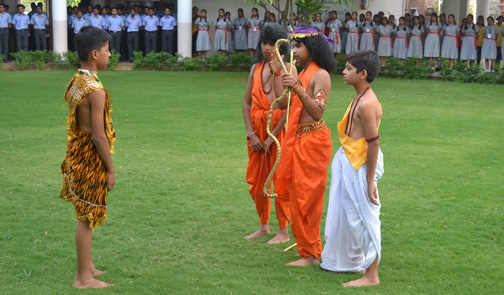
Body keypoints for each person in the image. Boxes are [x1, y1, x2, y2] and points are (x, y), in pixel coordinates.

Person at [320, 49, 383, 288]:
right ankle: (349, 262)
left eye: (348, 69)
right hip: (348, 159)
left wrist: (369, 181)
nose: (343, 73)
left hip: (360, 163)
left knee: (363, 216)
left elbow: (373, 142)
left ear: (363, 73)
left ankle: (372, 276)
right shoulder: (359, 95)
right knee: (345, 214)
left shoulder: (368, 102)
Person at [60, 25, 116, 289]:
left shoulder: (77, 80)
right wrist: (111, 168)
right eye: (107, 50)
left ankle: (89, 267)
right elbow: (99, 135)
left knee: (87, 213)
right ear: (95, 53)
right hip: (90, 157)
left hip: (76, 152)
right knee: (86, 216)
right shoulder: (95, 90)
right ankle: (82, 278)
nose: (109, 54)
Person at [275, 26, 335, 266]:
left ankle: (311, 254)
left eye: (299, 46)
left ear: (313, 47)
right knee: (296, 195)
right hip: (298, 140)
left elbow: (318, 113)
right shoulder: (302, 72)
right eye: (294, 46)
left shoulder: (321, 75)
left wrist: (297, 87)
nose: (295, 50)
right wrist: (281, 75)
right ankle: (306, 250)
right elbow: (282, 105)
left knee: (307, 198)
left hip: (313, 143)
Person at [242, 23, 291, 244]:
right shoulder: (255, 69)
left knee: (280, 180)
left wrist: (273, 137)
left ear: (281, 46)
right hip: (256, 132)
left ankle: (283, 231)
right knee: (257, 180)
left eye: (272, 43)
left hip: (278, 132)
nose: (267, 47)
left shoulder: (288, 69)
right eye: (264, 42)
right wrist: (251, 134)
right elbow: (245, 104)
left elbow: (287, 107)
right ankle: (263, 226)